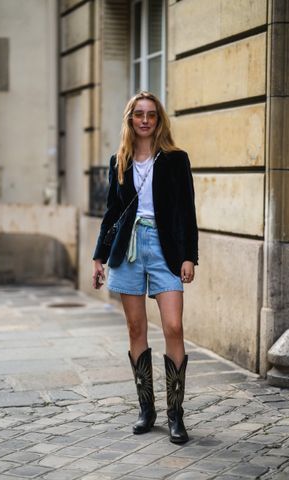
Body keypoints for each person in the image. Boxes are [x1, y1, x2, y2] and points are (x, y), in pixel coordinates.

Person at [92, 91, 198, 444]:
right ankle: (146, 409)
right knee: (136, 328)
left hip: (165, 250)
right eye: (139, 114)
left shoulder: (175, 159)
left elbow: (187, 210)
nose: (145, 120)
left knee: (173, 326)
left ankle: (175, 414)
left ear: (159, 120)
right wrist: (98, 257)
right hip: (129, 250)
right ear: (130, 119)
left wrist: (188, 256)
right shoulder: (118, 161)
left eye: (151, 114)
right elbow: (111, 212)